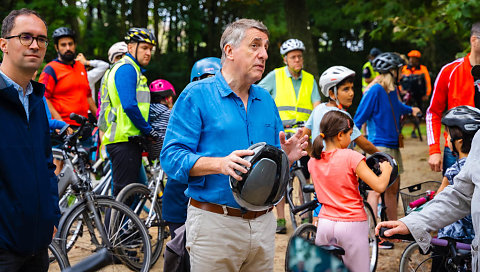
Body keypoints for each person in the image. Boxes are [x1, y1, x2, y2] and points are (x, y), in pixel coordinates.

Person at [160, 18, 308, 271]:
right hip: (215, 225)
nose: (263, 54)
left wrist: (285, 157)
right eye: (254, 46)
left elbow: (266, 161)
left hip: (263, 225)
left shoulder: (265, 99)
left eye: (265, 47)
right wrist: (220, 164)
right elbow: (171, 157)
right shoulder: (196, 95)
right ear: (229, 51)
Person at [376, 106, 480, 270]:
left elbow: (444, 194)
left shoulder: (454, 168)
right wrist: (413, 223)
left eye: (447, 136)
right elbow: (460, 195)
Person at [0, 8, 60, 271]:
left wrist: (52, 216)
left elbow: (47, 164)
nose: (35, 45)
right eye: (25, 37)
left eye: (41, 39)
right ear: (4, 44)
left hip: (38, 246)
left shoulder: (36, 99)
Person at [309, 111, 392, 272]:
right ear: (340, 135)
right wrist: (386, 170)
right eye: (349, 135)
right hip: (351, 224)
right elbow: (379, 186)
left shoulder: (313, 161)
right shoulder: (351, 157)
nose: (351, 139)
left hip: (325, 224)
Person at [354, 52, 421, 248]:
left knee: (393, 190)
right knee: (376, 191)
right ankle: (373, 234)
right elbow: (358, 118)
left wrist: (411, 110)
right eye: (400, 69)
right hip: (379, 146)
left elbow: (397, 107)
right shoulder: (374, 90)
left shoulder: (392, 90)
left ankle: (391, 233)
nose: (402, 72)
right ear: (392, 71)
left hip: (392, 145)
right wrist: (358, 143)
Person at [258, 38, 320, 234]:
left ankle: (305, 217)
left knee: (308, 176)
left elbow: (317, 106)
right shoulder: (274, 76)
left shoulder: (310, 79)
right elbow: (257, 94)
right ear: (285, 59)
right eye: (293, 57)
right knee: (280, 175)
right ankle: (281, 220)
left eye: (299, 57)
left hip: (304, 133)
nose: (297, 60)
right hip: (282, 133)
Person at [162, 56, 221, 240]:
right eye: (206, 80)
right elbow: (173, 156)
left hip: (209, 207)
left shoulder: (224, 114)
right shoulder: (187, 108)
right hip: (180, 202)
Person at [102, 27, 158, 196]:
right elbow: (129, 105)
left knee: (138, 191)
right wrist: (148, 130)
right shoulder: (127, 69)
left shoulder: (130, 68)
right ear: (131, 47)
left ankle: (130, 223)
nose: (148, 53)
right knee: (123, 196)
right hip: (123, 139)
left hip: (128, 139)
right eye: (144, 48)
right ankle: (112, 224)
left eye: (150, 49)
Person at [427, 22, 480, 174]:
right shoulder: (450, 71)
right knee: (451, 195)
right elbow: (433, 113)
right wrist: (434, 150)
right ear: (474, 40)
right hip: (455, 149)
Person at [39, 26, 97, 126]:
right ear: (56, 47)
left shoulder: (81, 67)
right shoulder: (50, 69)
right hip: (62, 130)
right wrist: (61, 124)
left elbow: (88, 96)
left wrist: (101, 120)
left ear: (75, 45)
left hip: (84, 127)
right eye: (63, 45)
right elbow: (43, 98)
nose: (68, 48)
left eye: (70, 44)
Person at [400, 50, 432, 137]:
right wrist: (401, 91)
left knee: (419, 112)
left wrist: (427, 94)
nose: (411, 60)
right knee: (403, 110)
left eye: (414, 58)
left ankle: (414, 130)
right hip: (406, 95)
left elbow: (427, 82)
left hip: (419, 95)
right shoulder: (404, 69)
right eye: (410, 58)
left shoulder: (423, 69)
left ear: (417, 60)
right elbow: (399, 81)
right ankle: (400, 130)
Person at [147, 79, 175, 162]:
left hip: (150, 151)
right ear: (167, 98)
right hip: (166, 151)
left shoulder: (147, 111)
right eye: (171, 97)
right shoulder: (169, 114)